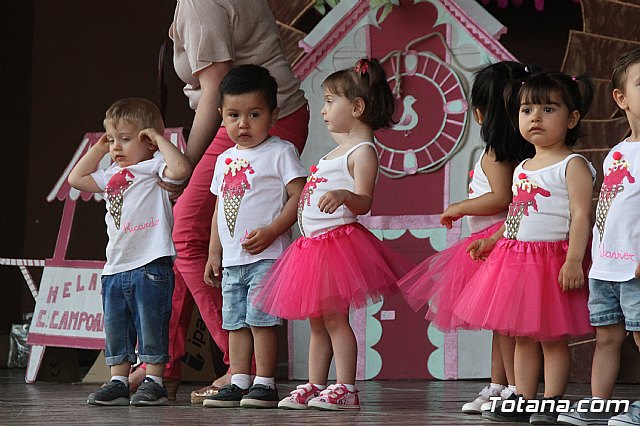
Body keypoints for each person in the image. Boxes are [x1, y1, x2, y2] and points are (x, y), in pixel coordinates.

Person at [131, 0, 310, 402]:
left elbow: (216, 85)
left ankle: (238, 368)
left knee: (181, 235)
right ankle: (161, 365)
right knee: (180, 241)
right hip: (253, 114)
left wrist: (185, 166)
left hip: (252, 117)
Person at [254, 58, 413, 411]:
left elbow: (365, 201)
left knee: (335, 319)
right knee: (316, 321)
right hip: (311, 248)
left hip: (337, 246)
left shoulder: (363, 152)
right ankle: (314, 383)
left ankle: (346, 386)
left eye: (329, 101)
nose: (323, 110)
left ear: (356, 107)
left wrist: (345, 197)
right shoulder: (335, 152)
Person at [453, 71, 596, 424]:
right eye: (527, 110)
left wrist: (574, 259)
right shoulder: (522, 168)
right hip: (516, 259)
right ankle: (522, 397)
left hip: (553, 260)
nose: (535, 117)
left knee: (550, 338)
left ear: (572, 118)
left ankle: (550, 401)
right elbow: (517, 214)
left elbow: (581, 216)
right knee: (521, 336)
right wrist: (493, 239)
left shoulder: (573, 165)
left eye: (548, 109)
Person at [396, 61, 535, 414]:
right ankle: (499, 385)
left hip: (497, 244)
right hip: (494, 245)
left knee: (505, 325)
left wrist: (460, 205)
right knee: (501, 325)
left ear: (477, 114)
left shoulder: (497, 155)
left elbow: (501, 198)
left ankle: (513, 389)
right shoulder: (515, 154)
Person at [195, 64, 306, 409]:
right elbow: (218, 210)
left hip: (267, 256)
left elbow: (298, 196)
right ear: (221, 117)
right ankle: (239, 379)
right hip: (233, 260)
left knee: (261, 321)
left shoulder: (280, 151)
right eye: (233, 115)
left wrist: (274, 229)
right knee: (236, 322)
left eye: (254, 114)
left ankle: (265, 383)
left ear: (273, 116)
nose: (243, 124)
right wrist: (214, 253)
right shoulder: (225, 159)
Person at [68, 98, 191, 406]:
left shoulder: (154, 168)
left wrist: (160, 139)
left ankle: (154, 380)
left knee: (151, 322)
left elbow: (181, 168)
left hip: (151, 263)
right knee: (117, 326)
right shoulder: (110, 174)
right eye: (113, 140)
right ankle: (119, 380)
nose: (117, 148)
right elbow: (76, 178)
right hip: (116, 266)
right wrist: (99, 147)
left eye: (125, 140)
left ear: (147, 141)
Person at [558, 48, 640, 426]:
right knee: (607, 338)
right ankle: (598, 402)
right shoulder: (616, 153)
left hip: (637, 267)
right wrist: (591, 257)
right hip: (607, 265)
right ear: (620, 98)